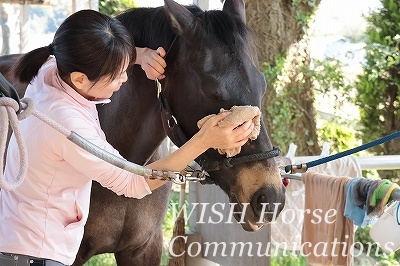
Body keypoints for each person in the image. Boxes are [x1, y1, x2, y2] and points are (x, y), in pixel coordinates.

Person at [0, 9, 254, 266]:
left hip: (19, 239)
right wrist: (203, 141)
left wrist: (141, 55)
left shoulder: (53, 69)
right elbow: (131, 183)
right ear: (80, 79)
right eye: (117, 74)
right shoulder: (67, 123)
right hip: (37, 254)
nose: (124, 78)